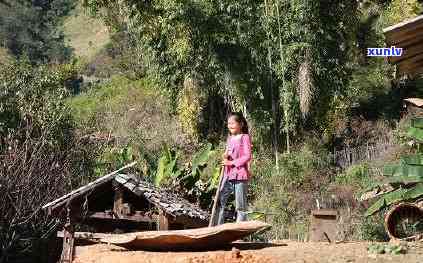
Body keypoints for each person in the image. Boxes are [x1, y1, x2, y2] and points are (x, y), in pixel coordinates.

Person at [215, 112, 252, 225]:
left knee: (240, 205)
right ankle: (218, 227)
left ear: (240, 124)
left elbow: (247, 156)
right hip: (227, 175)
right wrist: (225, 156)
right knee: (220, 201)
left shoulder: (245, 138)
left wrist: (231, 162)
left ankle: (241, 229)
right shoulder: (230, 138)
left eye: (232, 123)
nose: (229, 126)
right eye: (228, 123)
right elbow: (228, 152)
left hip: (240, 175)